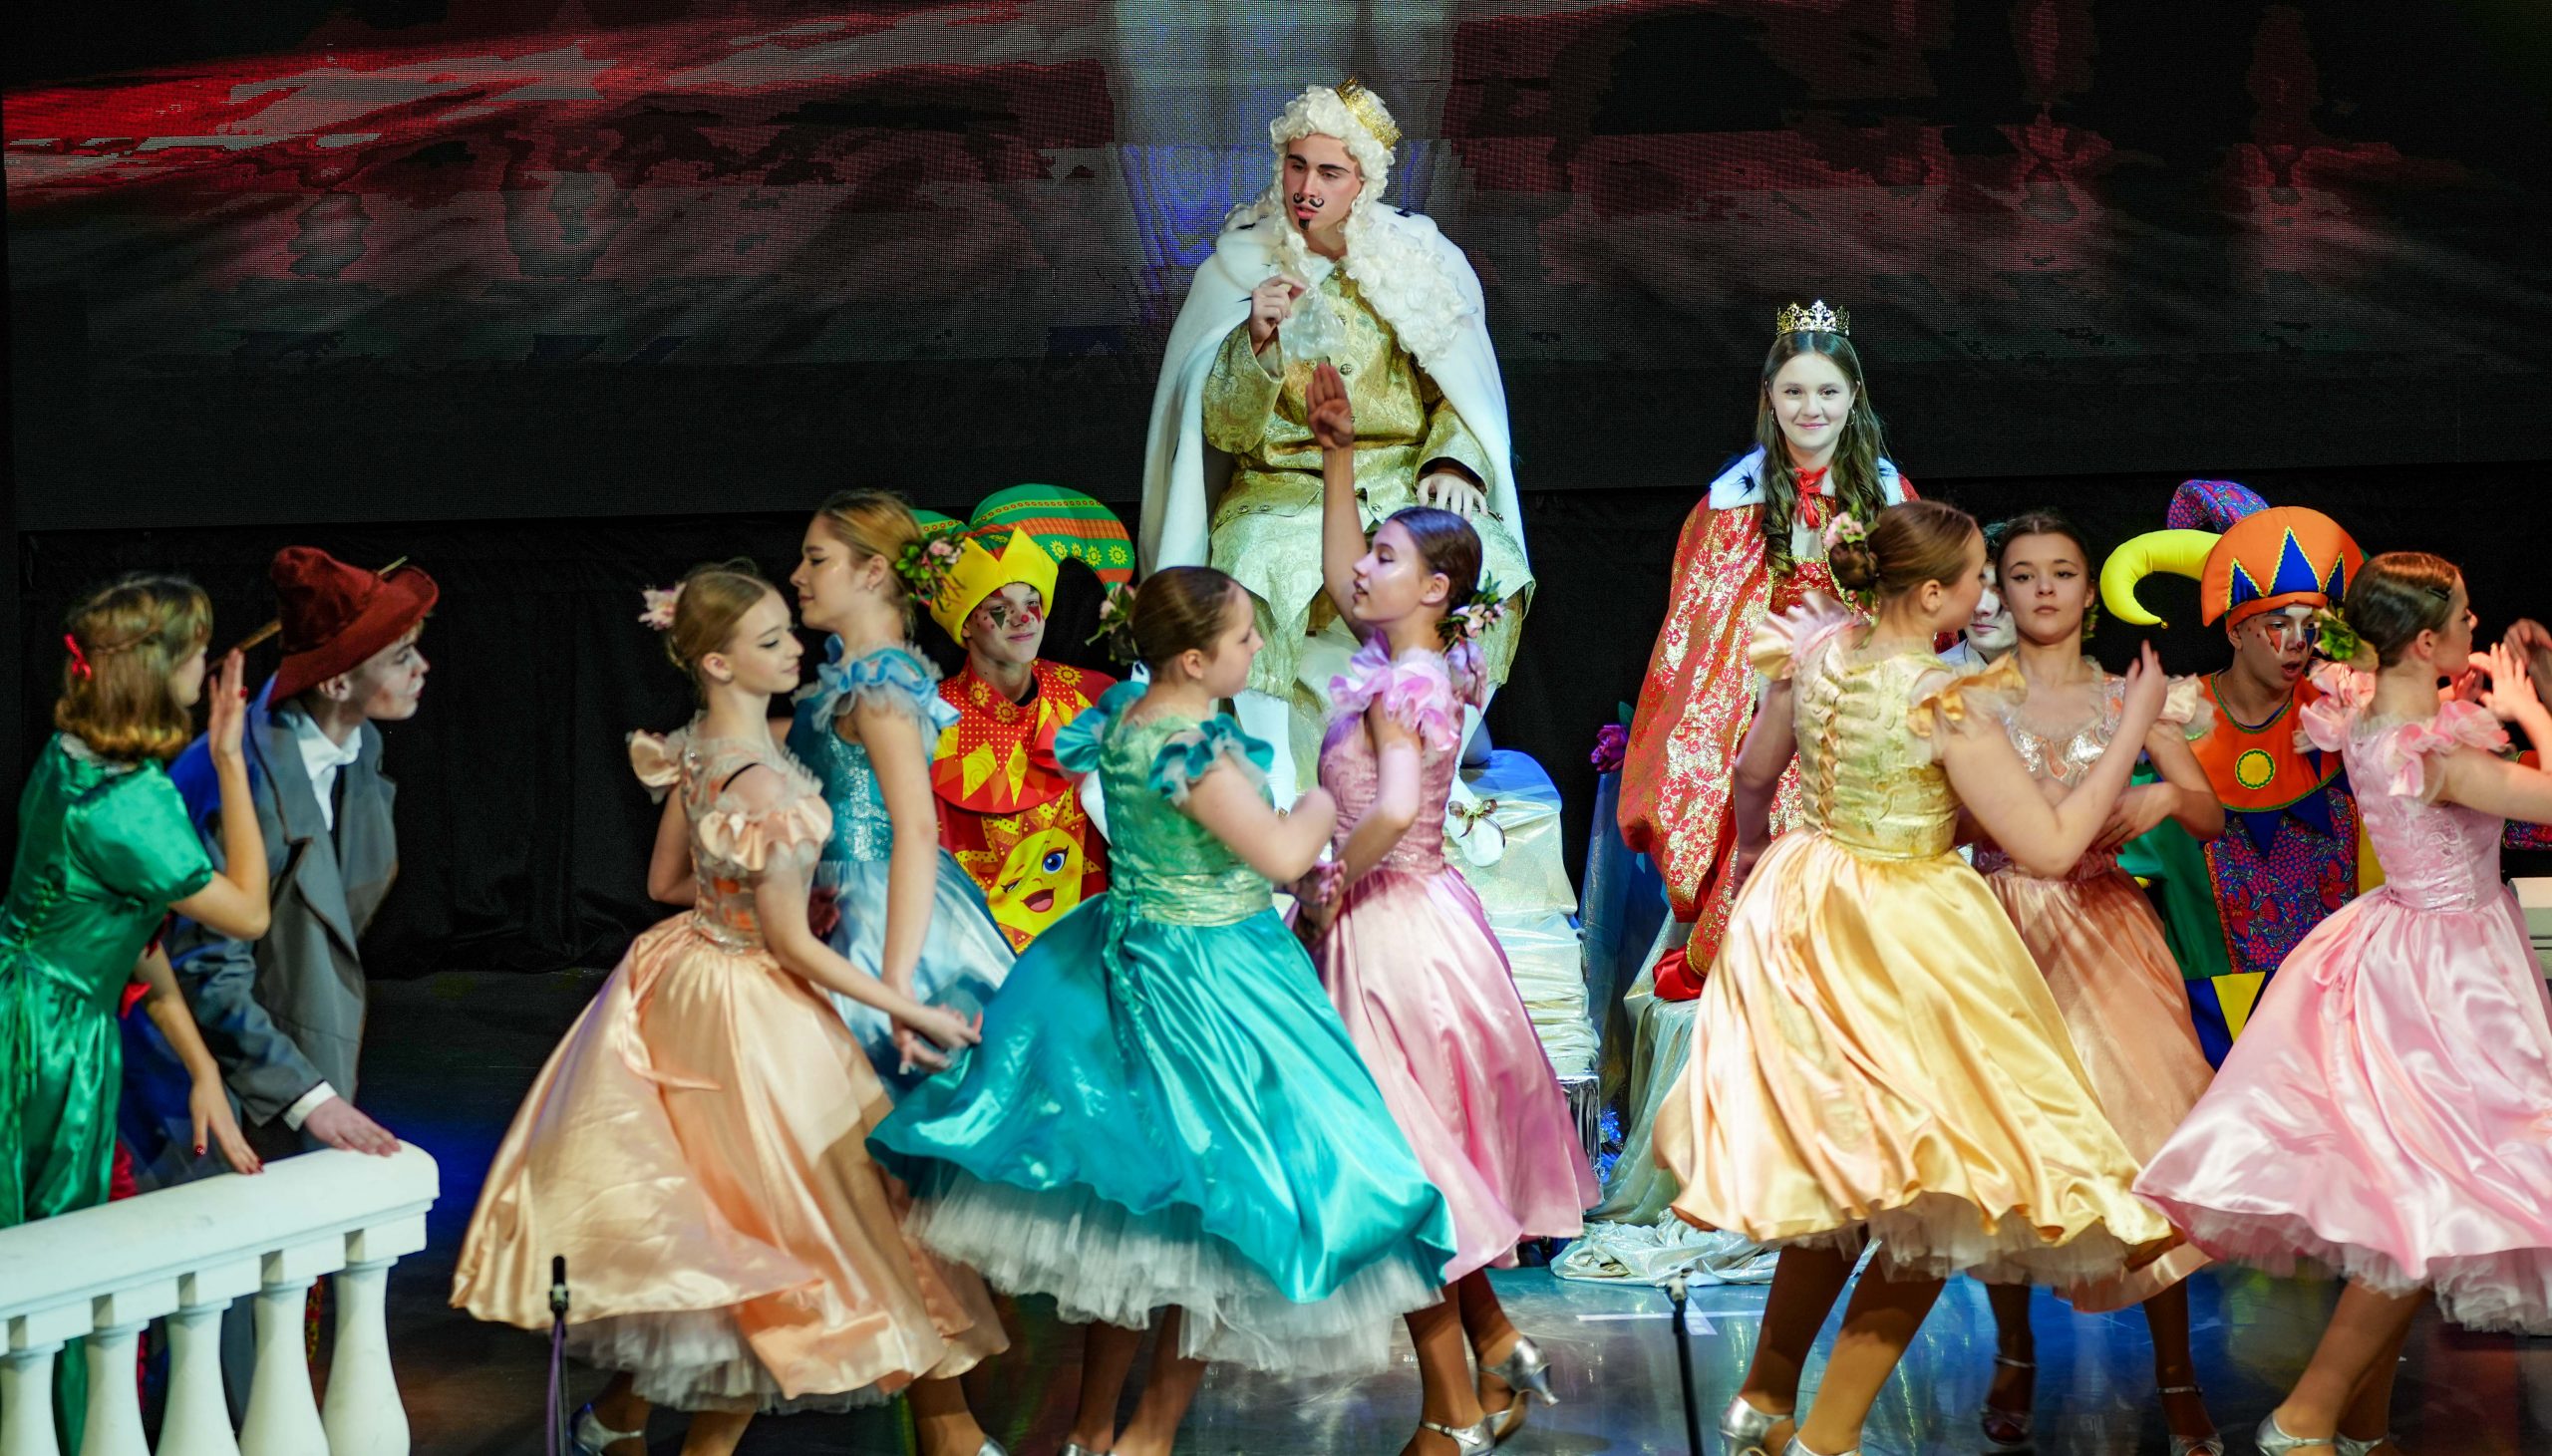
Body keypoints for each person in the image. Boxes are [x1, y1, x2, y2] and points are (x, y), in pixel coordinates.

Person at [871, 566, 1458, 1456]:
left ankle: (1094, 1432)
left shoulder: (1125, 719)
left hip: (1136, 953)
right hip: (1207, 981)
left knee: (1146, 1221)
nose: (1257, 648)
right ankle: (1142, 1436)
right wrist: (1324, 803)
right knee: (1224, 1220)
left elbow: (1213, 849)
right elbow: (1276, 850)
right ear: (1193, 658)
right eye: (1243, 637)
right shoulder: (1188, 747)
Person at [1654, 500, 2173, 1456]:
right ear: (1933, 594)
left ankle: (1763, 1401)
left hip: (1808, 914)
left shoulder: (1818, 654)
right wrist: (2134, 723)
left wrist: (1758, 856)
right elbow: (2051, 847)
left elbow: (1755, 775)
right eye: (1979, 579)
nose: (1988, 597)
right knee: (1950, 1190)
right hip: (1901, 936)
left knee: (1860, 1181)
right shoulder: (1944, 698)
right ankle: (1828, 1437)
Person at [451, 563, 1001, 1456]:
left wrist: (741, 898)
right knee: (808, 1218)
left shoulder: (698, 748)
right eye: (771, 641)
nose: (795, 650)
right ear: (717, 662)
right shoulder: (765, 788)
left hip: (688, 977)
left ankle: (625, 1422)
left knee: (747, 1220)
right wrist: (908, 1004)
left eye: (789, 631)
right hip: (755, 1006)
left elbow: (665, 881)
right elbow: (792, 948)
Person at [2136, 552, 2552, 1455]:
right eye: (2464, 616)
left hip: (2407, 949)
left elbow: (2407, 699)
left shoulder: (2365, 710)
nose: (2476, 626)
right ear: (2426, 641)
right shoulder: (2437, 756)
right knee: (2428, 1208)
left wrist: (2493, 686)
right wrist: (2529, 714)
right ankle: (2305, 1419)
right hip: (2448, 981)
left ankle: (2359, 1424)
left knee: (2416, 1207)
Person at [1293, 363, 1598, 1452]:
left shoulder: (1399, 684)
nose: (1361, 570)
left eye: (1386, 557)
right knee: (1421, 1166)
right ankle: (1497, 1342)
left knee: (1404, 1181)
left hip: (1391, 934)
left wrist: (1329, 879)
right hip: (1423, 924)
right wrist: (1337, 456)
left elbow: (1396, 805)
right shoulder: (1419, 656)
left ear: (1432, 587)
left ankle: (1448, 1413)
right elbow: (1339, 578)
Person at [1141, 79, 1528, 802]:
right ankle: (1273, 777)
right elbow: (1220, 429)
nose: (1307, 188)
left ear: (1363, 183)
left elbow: (1461, 393)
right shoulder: (1241, 266)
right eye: (1296, 166)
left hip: (1399, 482)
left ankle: (1436, 763)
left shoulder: (1415, 263)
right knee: (1258, 566)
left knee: (1492, 563)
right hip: (1280, 491)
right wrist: (1255, 342)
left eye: (1329, 172)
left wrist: (1454, 460)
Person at [1968, 512, 2225, 1456]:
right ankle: (2014, 1350)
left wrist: (2167, 793)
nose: (2044, 588)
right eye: (2023, 573)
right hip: (1998, 930)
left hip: (2108, 930)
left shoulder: (2133, 694)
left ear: (2088, 591)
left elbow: (2211, 816)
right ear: (1999, 589)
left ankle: (2177, 1373)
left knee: (2146, 1140)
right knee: (2006, 1153)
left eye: (2063, 571)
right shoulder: (1968, 698)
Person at [3, 574, 267, 1453]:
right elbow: (249, 910)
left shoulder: (74, 754)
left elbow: (131, 934)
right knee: (51, 1255)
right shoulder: (131, 802)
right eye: (197, 652)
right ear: (157, 669)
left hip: (30, 1006)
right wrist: (230, 760)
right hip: (48, 1042)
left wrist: (200, 1065)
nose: (207, 667)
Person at [1620, 300, 1914, 999]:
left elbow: (1912, 613)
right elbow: (1701, 627)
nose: (1811, 409)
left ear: (1854, 396)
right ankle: (1755, 947)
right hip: (1764, 694)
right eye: (1794, 392)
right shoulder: (1732, 502)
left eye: (1827, 391)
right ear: (1770, 398)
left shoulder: (1891, 496)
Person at [127, 548, 433, 1185]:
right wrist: (307, 1097)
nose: (421, 668)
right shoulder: (244, 782)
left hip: (282, 1054)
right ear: (336, 683)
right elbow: (207, 967)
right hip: (203, 1085)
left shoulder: (358, 744)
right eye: (400, 656)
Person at [2100, 480, 2368, 1061]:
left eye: (2311, 625)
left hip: (2342, 1003)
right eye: (2277, 623)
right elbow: (2113, 861)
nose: (2297, 643)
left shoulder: (2344, 713)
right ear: (2235, 629)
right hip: (2213, 1014)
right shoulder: (2171, 721)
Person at [784, 490, 1016, 1086]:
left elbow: (915, 827)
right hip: (831, 899)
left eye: (816, 559)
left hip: (874, 911)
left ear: (873, 571)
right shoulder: (851, 679)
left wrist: (895, 983)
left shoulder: (880, 686)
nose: (798, 576)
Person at [919, 486, 1127, 948]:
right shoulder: (924, 717)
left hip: (1080, 947)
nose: (1024, 618)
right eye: (999, 609)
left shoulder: (1093, 696)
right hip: (965, 950)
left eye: (1032, 602)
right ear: (965, 625)